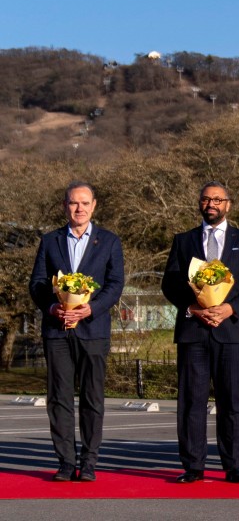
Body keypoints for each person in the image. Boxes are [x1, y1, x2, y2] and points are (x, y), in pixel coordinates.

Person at [161, 181, 239, 484]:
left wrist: (231, 308)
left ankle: (233, 465)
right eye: (206, 199)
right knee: (191, 402)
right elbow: (170, 284)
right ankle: (193, 465)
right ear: (199, 203)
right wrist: (192, 307)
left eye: (217, 200)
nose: (211, 204)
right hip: (193, 331)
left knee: (231, 401)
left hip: (231, 331)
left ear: (228, 205)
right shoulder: (183, 241)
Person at [29, 181, 124, 482]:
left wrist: (91, 308)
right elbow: (37, 283)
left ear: (94, 206)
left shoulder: (109, 241)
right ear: (65, 206)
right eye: (73, 203)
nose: (79, 208)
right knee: (59, 398)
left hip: (93, 330)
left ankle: (89, 462)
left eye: (84, 203)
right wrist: (51, 308)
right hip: (57, 332)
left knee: (92, 398)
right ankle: (66, 462)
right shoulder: (50, 241)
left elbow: (115, 285)